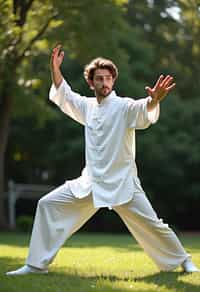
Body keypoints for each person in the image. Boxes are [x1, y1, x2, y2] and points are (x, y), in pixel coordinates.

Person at [6, 45, 199, 276]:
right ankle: (35, 265)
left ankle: (184, 261)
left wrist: (154, 100)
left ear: (113, 81)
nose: (104, 82)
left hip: (123, 182)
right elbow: (64, 94)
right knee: (48, 204)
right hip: (91, 183)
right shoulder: (87, 107)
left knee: (152, 224)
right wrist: (55, 69)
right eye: (99, 79)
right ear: (91, 83)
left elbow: (143, 108)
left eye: (108, 78)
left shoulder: (124, 106)